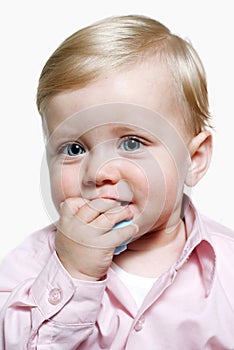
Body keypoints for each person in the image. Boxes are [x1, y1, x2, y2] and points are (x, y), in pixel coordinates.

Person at [0, 14, 234, 349]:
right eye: (74, 148)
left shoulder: (227, 268)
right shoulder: (30, 264)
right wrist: (72, 274)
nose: (98, 172)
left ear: (194, 160)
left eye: (132, 143)